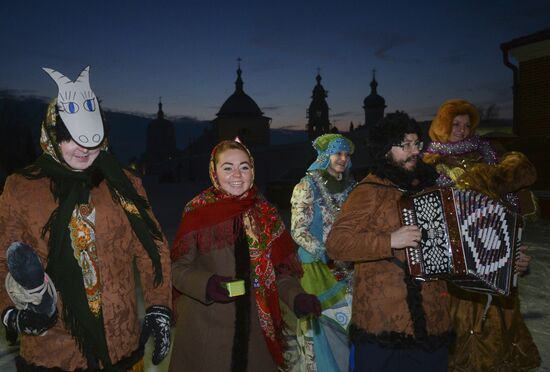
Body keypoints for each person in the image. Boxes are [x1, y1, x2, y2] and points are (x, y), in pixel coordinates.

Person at [0, 66, 172, 371]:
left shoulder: (125, 184)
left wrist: (159, 306)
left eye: (92, 138)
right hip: (51, 349)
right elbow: (3, 256)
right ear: (52, 136)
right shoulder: (23, 187)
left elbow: (151, 249)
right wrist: (9, 311)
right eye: (69, 138)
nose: (83, 148)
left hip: (120, 344)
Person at [169, 139, 321, 372]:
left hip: (256, 336)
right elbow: (177, 269)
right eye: (227, 167)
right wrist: (206, 284)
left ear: (253, 170)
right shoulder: (197, 212)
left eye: (244, 166)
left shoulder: (266, 213)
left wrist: (297, 297)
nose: (237, 175)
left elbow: (279, 273)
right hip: (207, 333)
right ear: (214, 172)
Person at [326, 116, 453, 372]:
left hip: (433, 321)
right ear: (385, 151)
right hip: (383, 325)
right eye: (405, 145)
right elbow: (337, 244)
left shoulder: (432, 188)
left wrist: (497, 259)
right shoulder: (369, 190)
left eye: (416, 144)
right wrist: (390, 240)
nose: (414, 151)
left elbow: (457, 246)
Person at [423, 99, 541, 371]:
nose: (462, 130)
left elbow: (524, 172)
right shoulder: (429, 163)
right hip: (455, 251)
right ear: (442, 125)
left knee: (500, 311)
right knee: (460, 314)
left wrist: (485, 178)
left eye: (467, 125)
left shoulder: (488, 151)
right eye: (455, 124)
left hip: (495, 242)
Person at [290, 133, 355, 371]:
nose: (343, 159)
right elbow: (298, 230)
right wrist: (325, 254)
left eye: (346, 154)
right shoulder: (306, 186)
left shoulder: (351, 187)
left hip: (346, 268)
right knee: (321, 328)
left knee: (348, 327)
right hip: (316, 267)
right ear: (325, 155)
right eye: (338, 153)